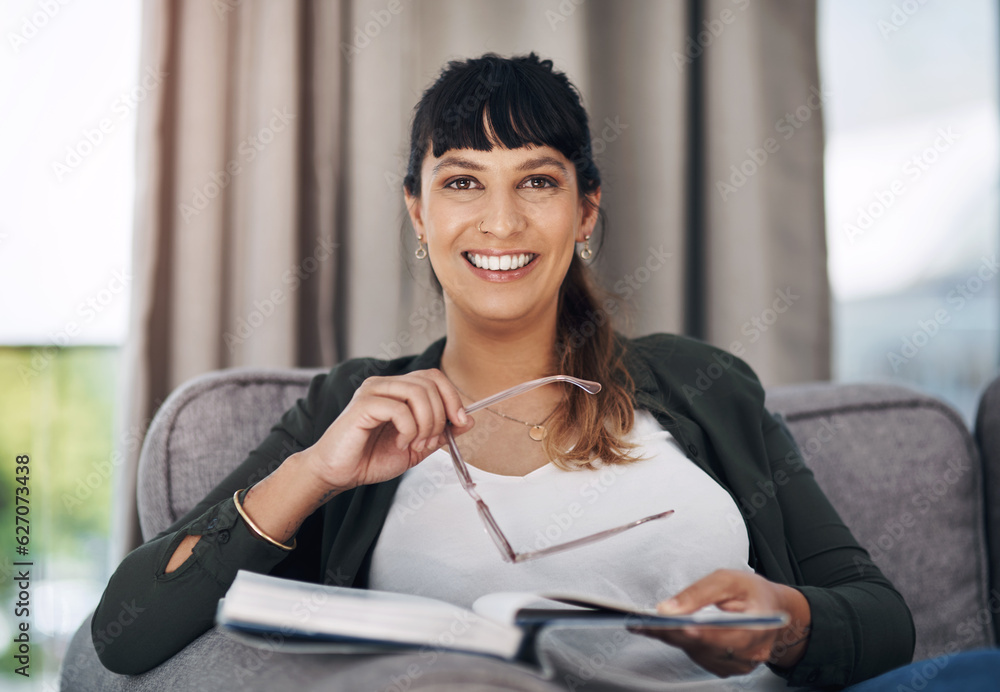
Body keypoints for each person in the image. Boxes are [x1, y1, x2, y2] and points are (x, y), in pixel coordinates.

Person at [94, 51, 955, 690]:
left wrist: (784, 624)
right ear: (418, 213)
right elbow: (125, 633)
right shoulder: (350, 410)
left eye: (536, 182)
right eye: (463, 183)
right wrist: (315, 472)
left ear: (585, 210)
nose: (499, 222)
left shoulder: (702, 385)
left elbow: (881, 618)